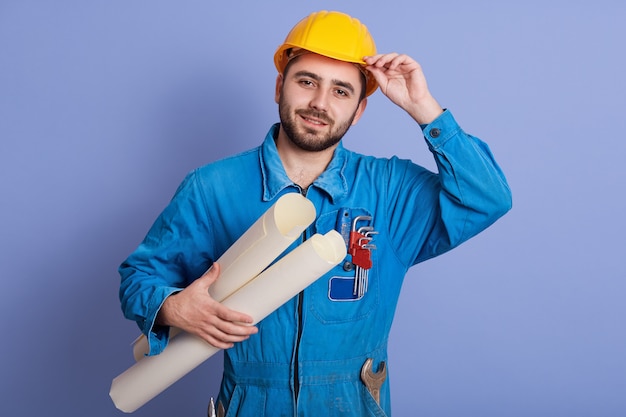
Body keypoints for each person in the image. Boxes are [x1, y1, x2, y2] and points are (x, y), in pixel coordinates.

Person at [118, 10, 512, 416]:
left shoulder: (391, 191)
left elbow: (487, 198)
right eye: (306, 81)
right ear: (279, 86)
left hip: (352, 404)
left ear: (359, 110)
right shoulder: (212, 187)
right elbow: (139, 278)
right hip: (251, 404)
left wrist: (424, 109)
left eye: (341, 91)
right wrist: (171, 307)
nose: (319, 103)